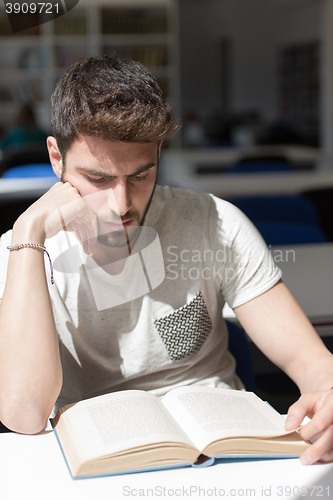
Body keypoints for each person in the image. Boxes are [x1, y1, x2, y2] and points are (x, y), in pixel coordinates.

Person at [0, 56, 332, 467]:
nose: (120, 204)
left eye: (140, 176)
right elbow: (25, 416)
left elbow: (312, 362)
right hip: (95, 460)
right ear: (56, 157)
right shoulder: (18, 253)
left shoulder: (216, 222)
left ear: (159, 153)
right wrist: (27, 233)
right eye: (98, 179)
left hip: (222, 451)